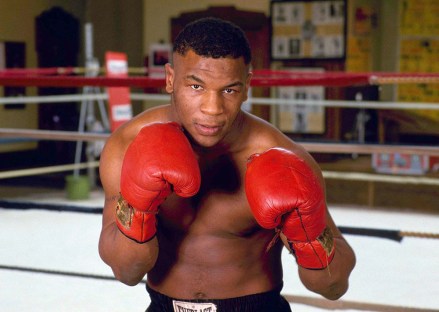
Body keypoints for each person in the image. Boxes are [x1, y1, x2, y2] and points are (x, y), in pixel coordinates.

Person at [98, 17, 356, 312]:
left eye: (229, 90)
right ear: (170, 79)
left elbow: (333, 287)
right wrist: (138, 211)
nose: (212, 109)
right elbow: (126, 273)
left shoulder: (281, 157)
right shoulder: (128, 145)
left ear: (247, 86)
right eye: (196, 86)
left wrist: (310, 241)